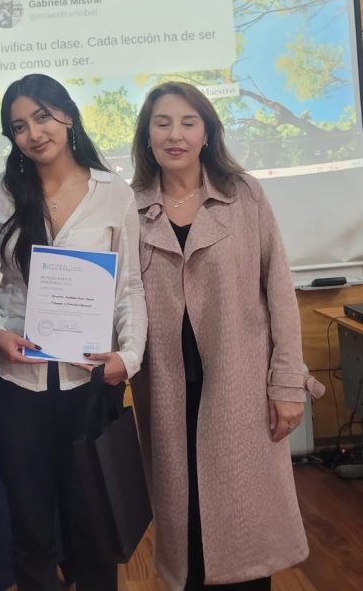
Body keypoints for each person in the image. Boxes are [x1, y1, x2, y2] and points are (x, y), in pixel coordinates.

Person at [128, 82, 324, 590]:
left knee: (244, 530)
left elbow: (279, 290)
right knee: (185, 526)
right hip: (168, 391)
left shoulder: (244, 196)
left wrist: (286, 384)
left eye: (188, 122)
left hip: (238, 389)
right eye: (162, 122)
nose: (175, 134)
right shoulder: (129, 209)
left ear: (208, 133)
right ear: (146, 136)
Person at [0, 74, 147, 591]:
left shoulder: (112, 192)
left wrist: (130, 357)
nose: (33, 133)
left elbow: (131, 288)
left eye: (43, 116)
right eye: (19, 125)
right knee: (29, 527)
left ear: (68, 116)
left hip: (90, 384)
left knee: (94, 525)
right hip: (17, 385)